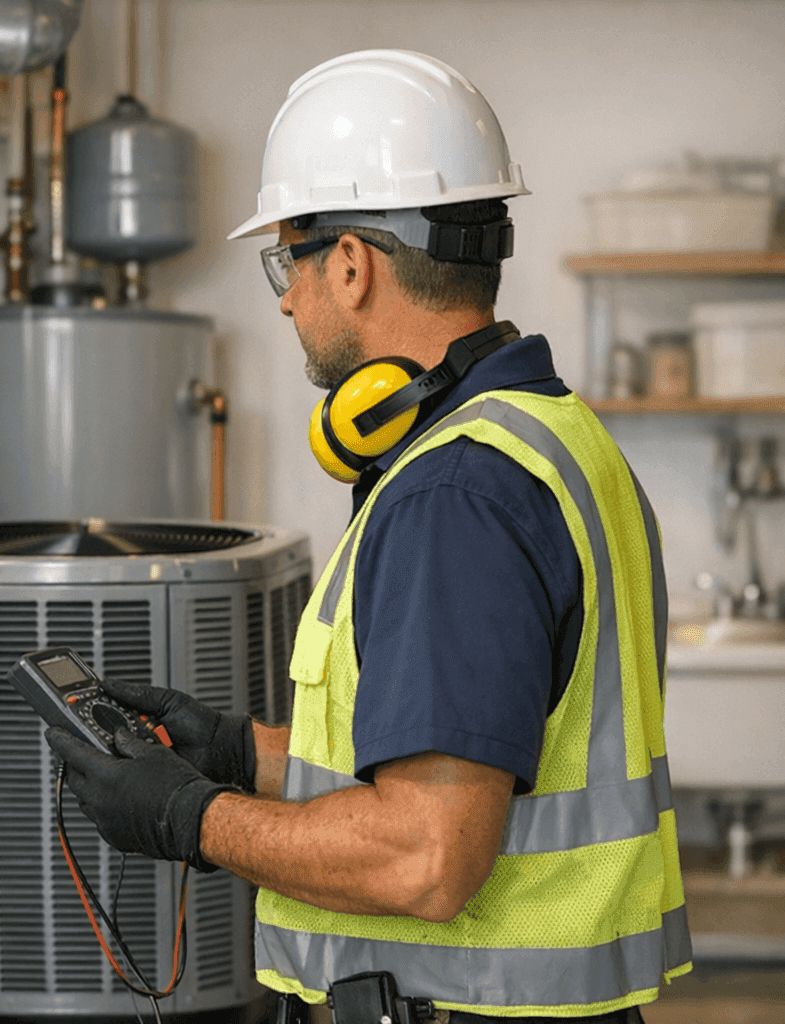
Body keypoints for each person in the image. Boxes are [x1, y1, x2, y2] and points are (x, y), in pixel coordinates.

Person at [44, 50, 690, 1023]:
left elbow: (428, 853)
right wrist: (232, 751)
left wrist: (191, 817)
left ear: (349, 263)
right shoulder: (554, 437)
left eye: (287, 261)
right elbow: (476, 755)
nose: (284, 297)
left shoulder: (457, 495)